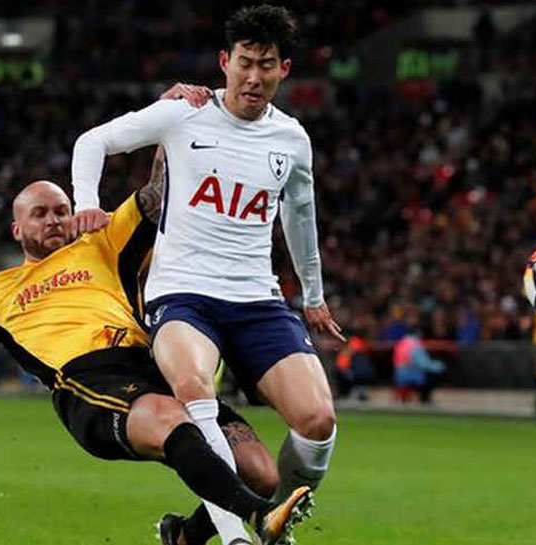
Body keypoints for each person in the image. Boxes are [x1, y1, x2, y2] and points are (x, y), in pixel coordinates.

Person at [0, 175, 312, 545]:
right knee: (172, 423)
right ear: (17, 228)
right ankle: (257, 517)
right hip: (87, 384)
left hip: (155, 365)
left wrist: (180, 116)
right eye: (40, 213)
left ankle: (183, 535)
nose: (54, 218)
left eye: (61, 209)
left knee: (257, 466)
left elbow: (159, 190)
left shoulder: (102, 245)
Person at [71, 7, 340, 541]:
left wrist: (313, 296)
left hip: (257, 300)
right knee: (194, 391)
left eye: (267, 65)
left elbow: (301, 218)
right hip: (183, 296)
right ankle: (240, 538)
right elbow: (91, 142)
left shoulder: (291, 139)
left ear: (285, 68)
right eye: (244, 62)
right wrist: (86, 203)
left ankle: (204, 533)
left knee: (318, 424)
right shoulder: (183, 113)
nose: (254, 77)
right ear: (225, 62)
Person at [392, 332, 445, 404]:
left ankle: (419, 397)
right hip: (411, 376)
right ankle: (425, 398)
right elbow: (423, 364)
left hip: (398, 376)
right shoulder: (415, 345)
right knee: (434, 375)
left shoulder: (401, 344)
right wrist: (439, 366)